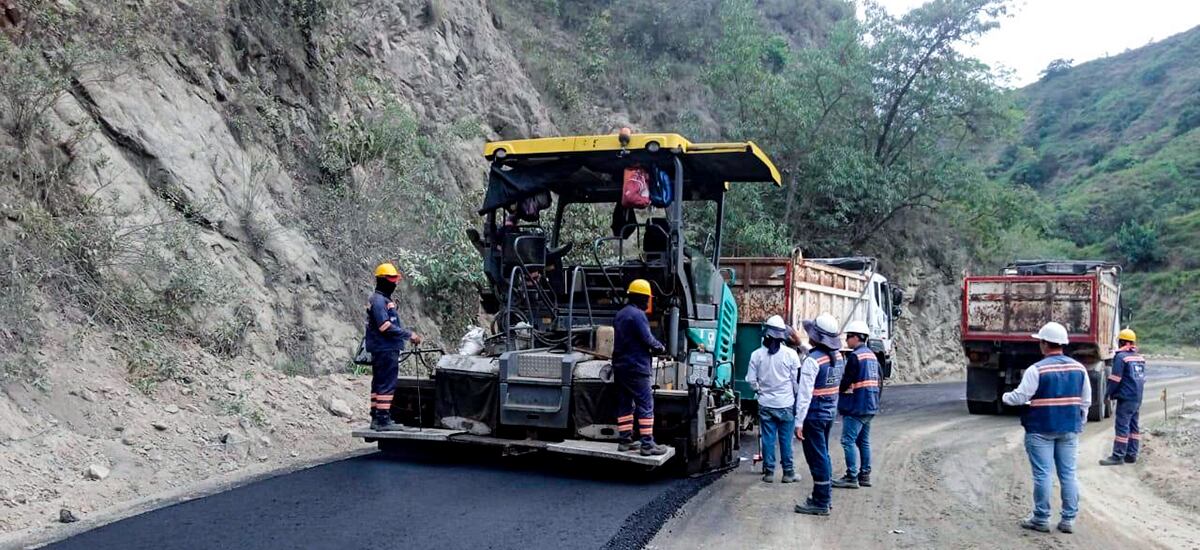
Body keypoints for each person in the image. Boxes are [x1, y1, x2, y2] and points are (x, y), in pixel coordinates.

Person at [1002, 321, 1091, 535]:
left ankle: (1041, 518)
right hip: (1069, 429)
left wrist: (1006, 397)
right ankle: (1068, 519)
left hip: (1040, 429)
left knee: (1043, 475)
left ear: (1043, 344)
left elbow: (1021, 396)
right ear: (1062, 344)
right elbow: (1086, 400)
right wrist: (1080, 421)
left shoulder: (1037, 370)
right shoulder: (1079, 369)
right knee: (1068, 474)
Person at [793, 313, 845, 516]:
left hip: (813, 417)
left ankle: (821, 501)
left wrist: (799, 423)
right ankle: (823, 496)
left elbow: (804, 396)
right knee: (824, 454)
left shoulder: (812, 362)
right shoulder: (837, 357)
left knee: (816, 457)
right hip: (828, 414)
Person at [613, 279, 669, 456]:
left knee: (625, 403)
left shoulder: (620, 314)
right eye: (647, 298)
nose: (648, 302)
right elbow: (647, 338)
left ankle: (625, 440)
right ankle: (647, 445)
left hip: (620, 366)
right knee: (645, 404)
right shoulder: (638, 315)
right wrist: (660, 347)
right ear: (641, 298)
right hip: (636, 367)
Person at [365, 263, 423, 432]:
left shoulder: (381, 299)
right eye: (391, 280)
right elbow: (384, 326)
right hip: (384, 348)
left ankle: (377, 417)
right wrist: (409, 335)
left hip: (383, 348)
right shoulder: (378, 301)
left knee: (379, 383)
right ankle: (382, 420)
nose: (394, 284)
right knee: (386, 384)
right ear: (382, 280)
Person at [746, 315, 802, 484]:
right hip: (786, 404)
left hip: (766, 404)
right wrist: (795, 398)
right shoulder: (791, 355)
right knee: (786, 440)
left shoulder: (756, 355)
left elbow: (750, 380)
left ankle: (769, 472)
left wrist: (760, 390)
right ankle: (788, 473)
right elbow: (796, 382)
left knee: (768, 438)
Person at [832, 320, 881, 489]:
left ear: (857, 337)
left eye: (848, 337)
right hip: (870, 405)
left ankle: (851, 476)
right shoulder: (872, 355)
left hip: (857, 406)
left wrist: (836, 390)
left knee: (848, 440)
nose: (846, 340)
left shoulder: (855, 357)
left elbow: (846, 381)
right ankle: (865, 475)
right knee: (863, 441)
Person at [1100, 328, 1147, 466]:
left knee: (1122, 426)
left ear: (1121, 341)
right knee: (1134, 426)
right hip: (1137, 397)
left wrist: (1107, 393)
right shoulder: (1140, 358)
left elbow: (1115, 378)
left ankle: (1118, 456)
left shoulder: (1121, 357)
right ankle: (1131, 454)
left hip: (1126, 398)